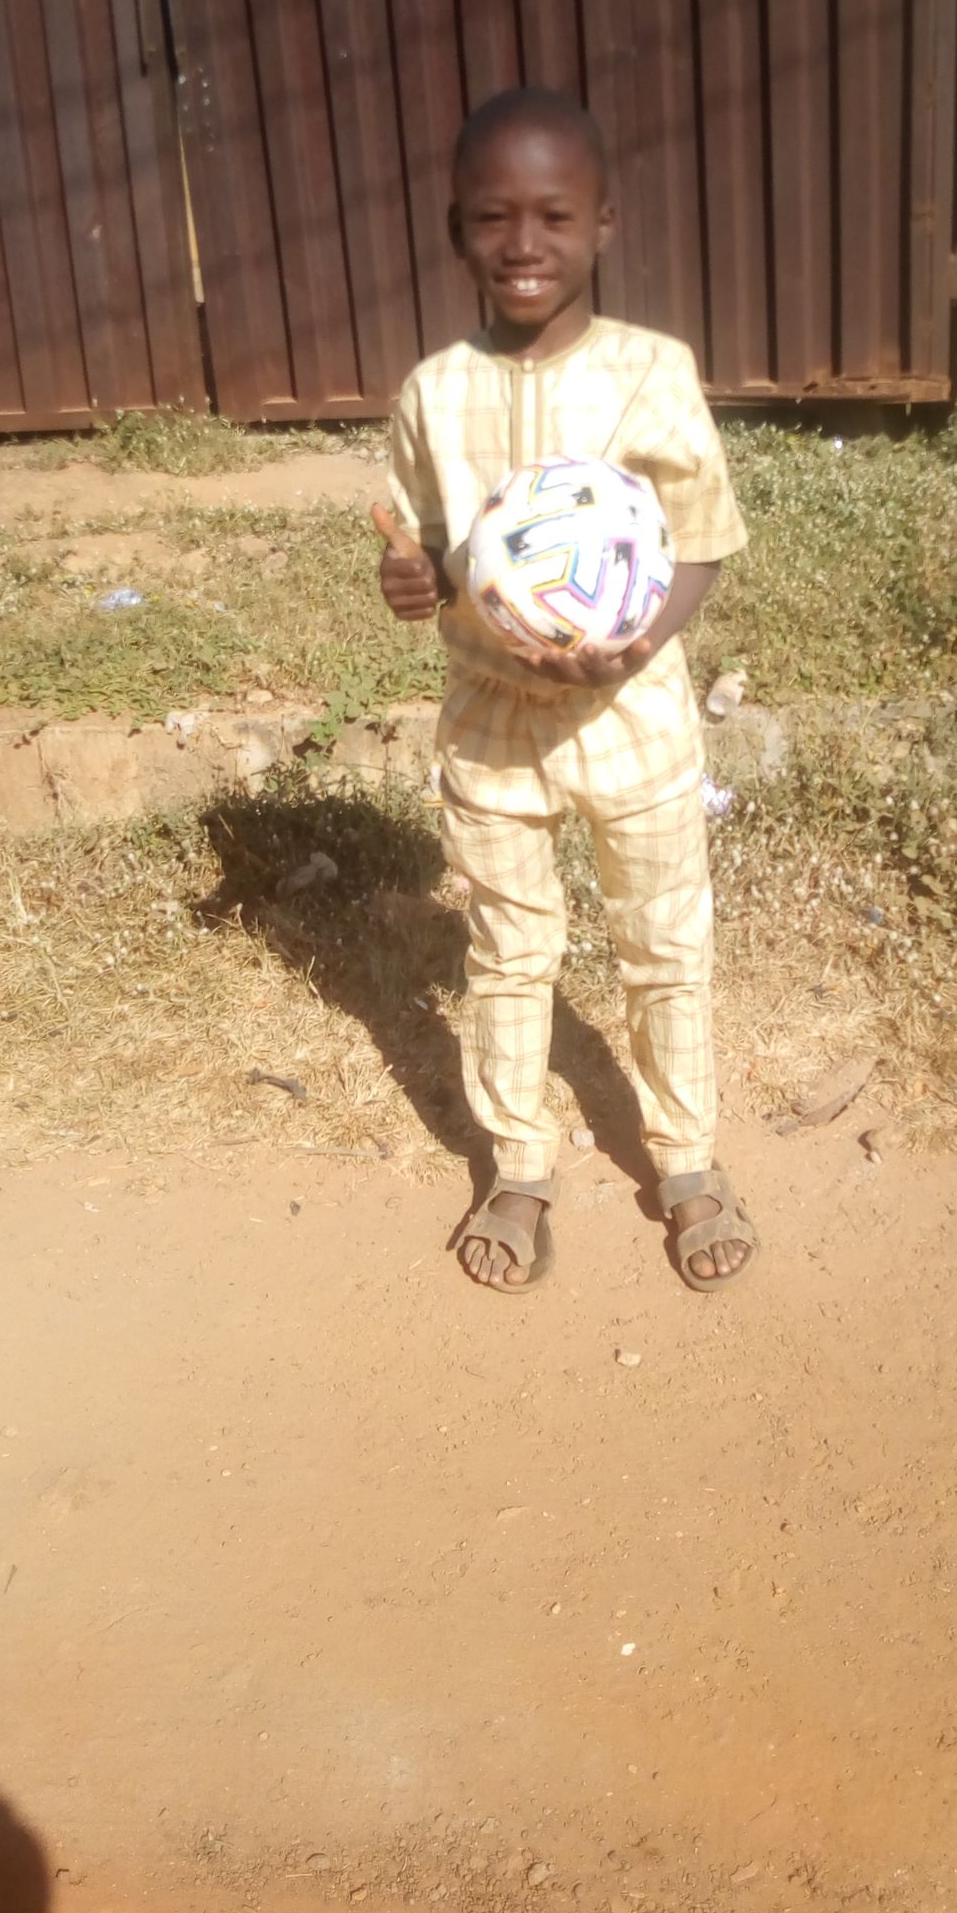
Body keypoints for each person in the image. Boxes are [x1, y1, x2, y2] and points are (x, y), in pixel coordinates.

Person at [372, 86, 759, 1296]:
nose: (524, 242)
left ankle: (686, 1160)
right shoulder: (434, 393)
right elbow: (428, 548)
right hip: (493, 729)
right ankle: (520, 1166)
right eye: (494, 217)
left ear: (604, 224)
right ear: (458, 231)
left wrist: (636, 647)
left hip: (633, 717)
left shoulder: (652, 373)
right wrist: (411, 578)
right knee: (506, 951)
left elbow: (700, 542)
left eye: (554, 214)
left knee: (664, 942)